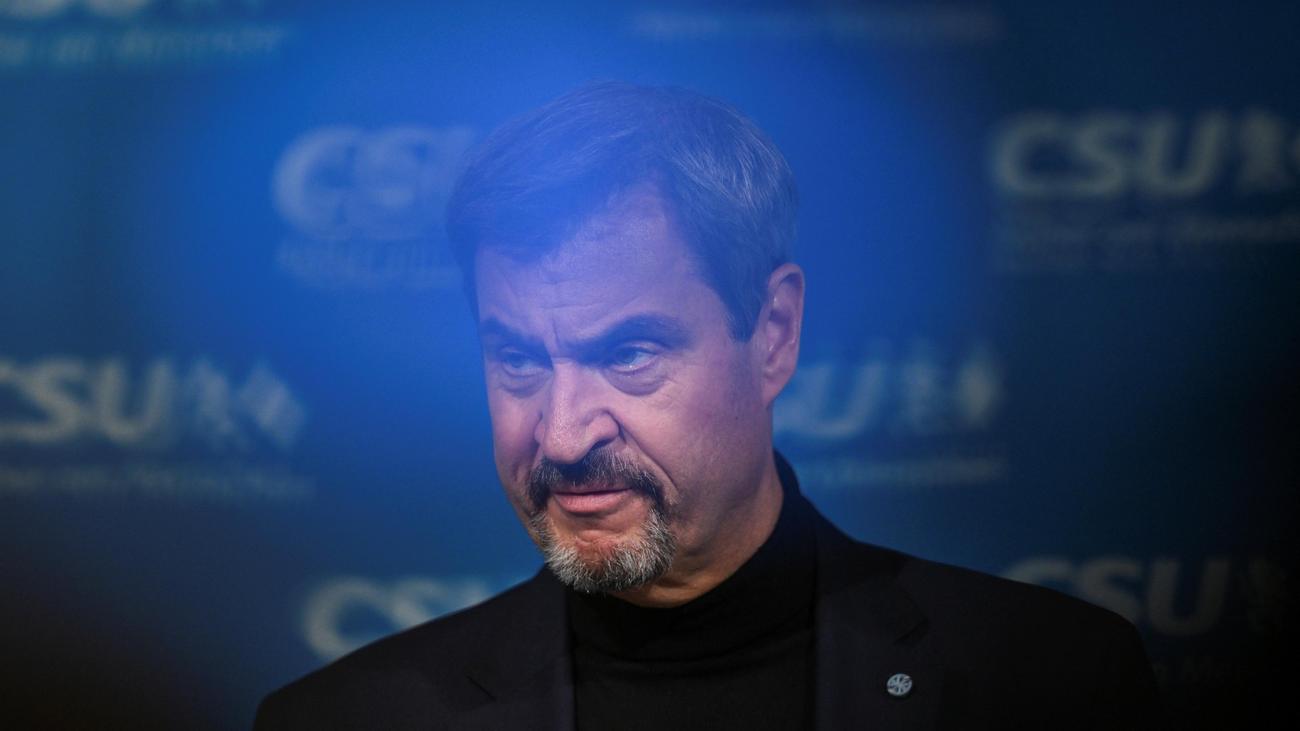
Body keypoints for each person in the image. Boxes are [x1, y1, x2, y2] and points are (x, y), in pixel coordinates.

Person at [255, 82, 1158, 730]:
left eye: (629, 354)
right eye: (519, 360)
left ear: (773, 333)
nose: (562, 434)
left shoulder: (1048, 682)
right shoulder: (344, 716)